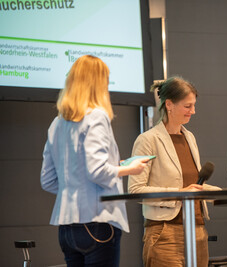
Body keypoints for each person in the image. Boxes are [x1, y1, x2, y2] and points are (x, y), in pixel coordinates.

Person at [40, 55, 149, 266]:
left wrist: (77, 187)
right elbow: (97, 171)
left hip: (66, 228)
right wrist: (129, 169)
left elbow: (48, 180)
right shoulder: (97, 116)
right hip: (97, 223)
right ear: (99, 84)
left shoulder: (57, 123)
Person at [128, 76, 221, 267]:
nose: (193, 111)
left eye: (194, 105)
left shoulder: (190, 137)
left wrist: (216, 193)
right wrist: (180, 194)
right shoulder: (148, 140)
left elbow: (191, 185)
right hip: (165, 233)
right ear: (169, 104)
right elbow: (136, 189)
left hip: (197, 231)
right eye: (188, 106)